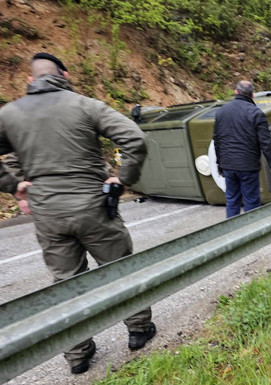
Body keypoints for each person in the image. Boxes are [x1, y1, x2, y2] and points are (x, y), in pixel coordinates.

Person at [0, 53, 154, 375]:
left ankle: (78, 355)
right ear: (65, 75)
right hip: (93, 206)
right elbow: (134, 138)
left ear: (31, 80)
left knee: (65, 283)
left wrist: (14, 185)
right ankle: (139, 331)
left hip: (48, 212)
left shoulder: (9, 114)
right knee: (120, 269)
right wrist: (123, 177)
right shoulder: (86, 105)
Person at [213, 80, 271, 218]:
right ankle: (251, 232)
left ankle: (233, 234)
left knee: (232, 201)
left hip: (228, 165)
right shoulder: (256, 113)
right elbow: (266, 143)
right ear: (252, 95)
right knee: (251, 202)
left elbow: (217, 140)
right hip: (248, 166)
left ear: (235, 92)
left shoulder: (221, 112)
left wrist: (220, 166)